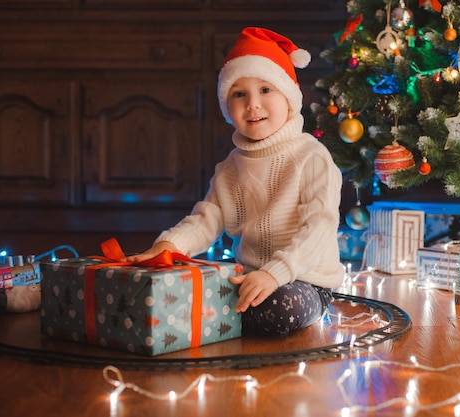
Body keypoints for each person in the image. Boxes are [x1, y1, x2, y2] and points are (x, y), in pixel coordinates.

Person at [126, 27, 344, 336]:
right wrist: (169, 245)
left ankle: (204, 318)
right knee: (193, 288)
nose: (253, 104)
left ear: (290, 98)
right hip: (248, 276)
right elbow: (206, 220)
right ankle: (197, 313)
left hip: (304, 280)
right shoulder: (230, 168)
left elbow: (319, 226)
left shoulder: (311, 157)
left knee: (280, 308)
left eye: (266, 90)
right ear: (227, 108)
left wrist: (276, 273)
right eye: (239, 94)